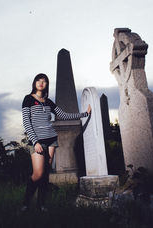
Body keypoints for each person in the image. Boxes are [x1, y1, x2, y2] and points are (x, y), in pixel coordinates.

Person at [20, 73, 91, 212]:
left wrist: (85, 114)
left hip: (51, 139)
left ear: (46, 84)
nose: (41, 83)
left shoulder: (48, 101)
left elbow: (64, 115)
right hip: (37, 141)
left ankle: (41, 205)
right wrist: (35, 142)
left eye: (44, 81)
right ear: (34, 83)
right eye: (38, 80)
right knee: (38, 174)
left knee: (45, 174)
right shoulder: (28, 99)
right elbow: (26, 122)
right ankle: (25, 203)